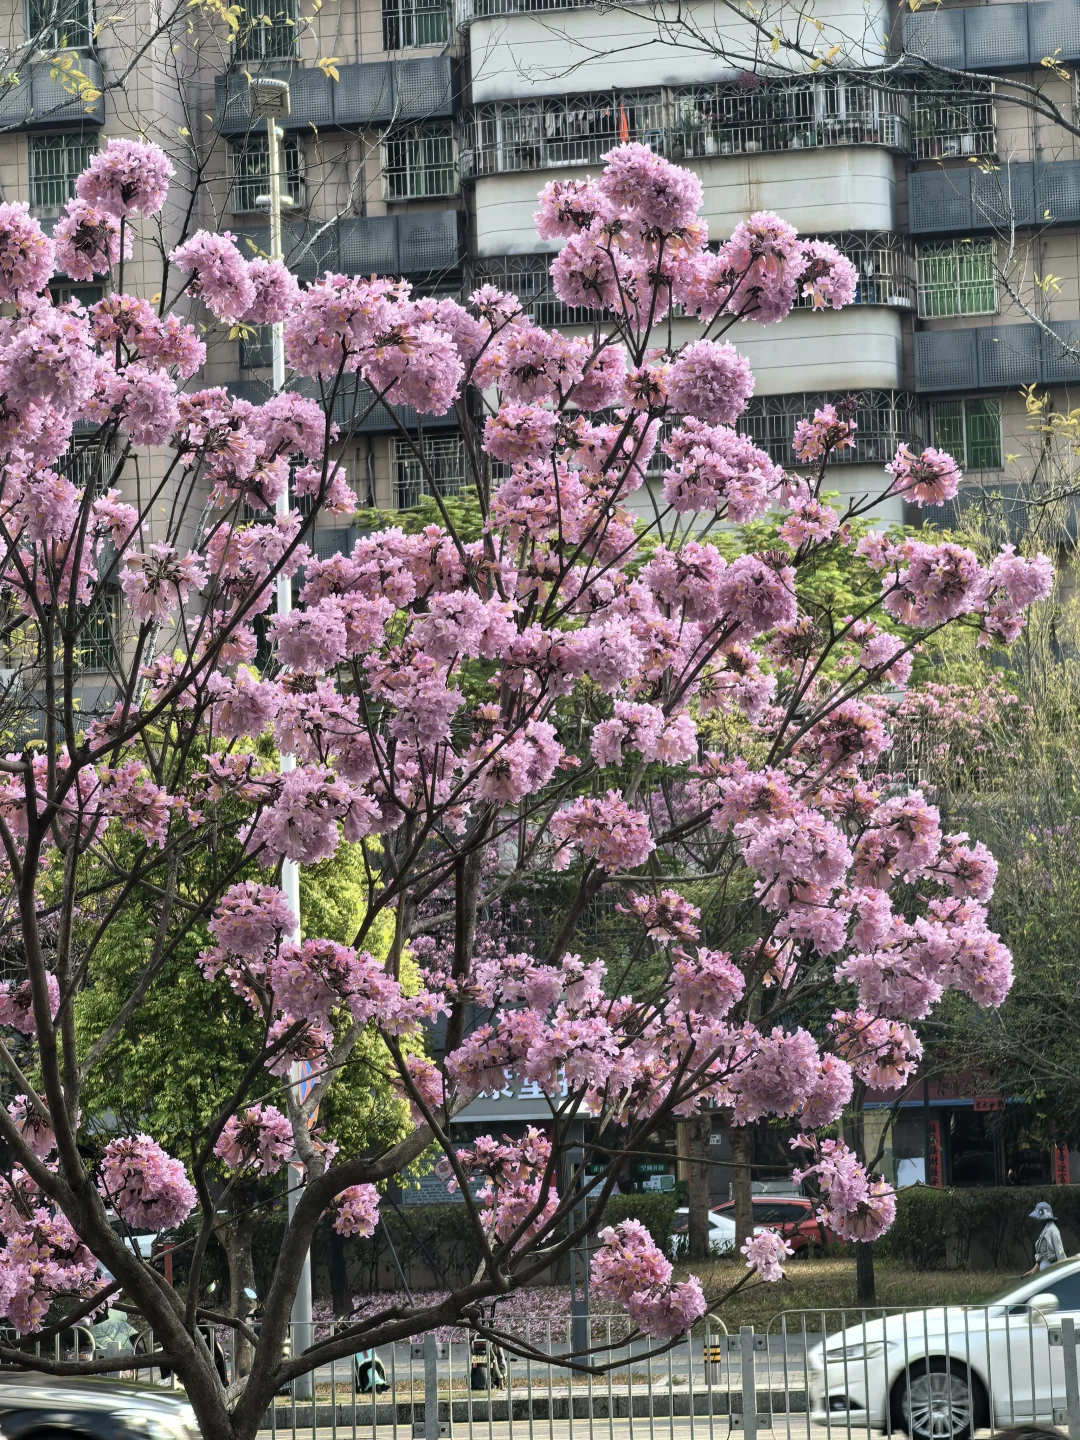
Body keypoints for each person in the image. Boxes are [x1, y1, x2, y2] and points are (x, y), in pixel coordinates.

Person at [1025, 1200, 1067, 1273]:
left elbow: (1060, 1252)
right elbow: (1043, 1256)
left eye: (1037, 1217)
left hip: (1052, 1272)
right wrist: (1032, 1271)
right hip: (1045, 1273)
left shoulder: (1052, 1230)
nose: (1035, 1220)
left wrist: (1063, 1271)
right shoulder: (1045, 1231)